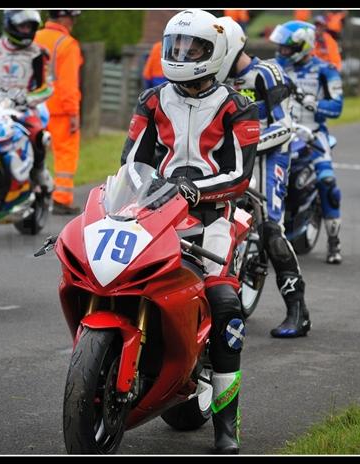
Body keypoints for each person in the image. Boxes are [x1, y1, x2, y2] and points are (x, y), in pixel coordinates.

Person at [120, 9, 259, 454]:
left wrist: (194, 191)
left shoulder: (239, 106)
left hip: (214, 217)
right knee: (119, 276)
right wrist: (134, 195)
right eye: (176, 46)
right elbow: (130, 163)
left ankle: (227, 424)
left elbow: (240, 175)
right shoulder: (152, 100)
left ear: (214, 53)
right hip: (155, 213)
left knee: (225, 307)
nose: (181, 55)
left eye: (193, 48)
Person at [217, 15, 312, 339]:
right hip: (235, 155)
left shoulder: (267, 73)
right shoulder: (215, 79)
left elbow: (284, 126)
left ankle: (297, 308)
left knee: (271, 225)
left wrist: (248, 142)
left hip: (272, 152)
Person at [269, 20, 345, 265]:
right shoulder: (270, 69)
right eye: (279, 47)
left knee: (328, 183)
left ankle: (334, 241)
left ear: (303, 46)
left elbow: (337, 107)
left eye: (286, 48)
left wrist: (316, 104)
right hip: (277, 133)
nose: (281, 51)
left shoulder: (325, 70)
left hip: (313, 134)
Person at [0, 10, 54, 193]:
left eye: (29, 26)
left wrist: (27, 98)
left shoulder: (38, 52)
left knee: (38, 133)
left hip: (24, 106)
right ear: (9, 24)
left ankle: (39, 170)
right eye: (22, 26)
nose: (26, 30)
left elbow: (46, 86)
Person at [34, 10, 84, 215]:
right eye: (72, 17)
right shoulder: (67, 44)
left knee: (33, 153)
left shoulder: (33, 38)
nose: (73, 22)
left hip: (34, 107)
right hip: (59, 110)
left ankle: (30, 197)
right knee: (64, 154)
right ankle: (61, 199)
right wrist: (73, 113)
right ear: (63, 17)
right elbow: (68, 84)